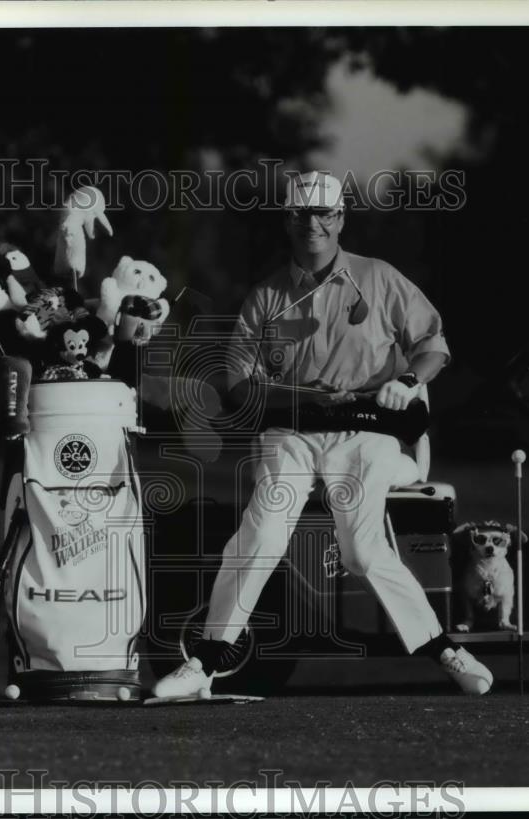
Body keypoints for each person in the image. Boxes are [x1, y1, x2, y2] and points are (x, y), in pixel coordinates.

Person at [153, 171, 494, 697]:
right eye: (300, 214)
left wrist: (408, 379)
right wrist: (306, 399)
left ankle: (442, 648)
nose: (312, 223)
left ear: (340, 218)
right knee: (260, 535)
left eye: (324, 214)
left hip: (365, 432)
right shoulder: (266, 296)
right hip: (292, 432)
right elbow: (240, 385)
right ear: (287, 220)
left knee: (359, 551)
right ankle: (203, 664)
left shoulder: (378, 278)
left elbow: (432, 343)